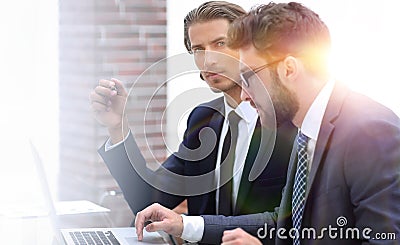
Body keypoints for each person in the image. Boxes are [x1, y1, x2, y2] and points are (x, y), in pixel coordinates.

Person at [135, 2, 400, 244]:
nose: (246, 95)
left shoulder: (369, 132)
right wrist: (185, 225)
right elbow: (284, 225)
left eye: (250, 77)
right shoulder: (308, 129)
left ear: (288, 69)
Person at [90, 1, 296, 243]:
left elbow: (290, 225)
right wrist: (118, 127)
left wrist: (187, 226)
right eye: (198, 49)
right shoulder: (204, 119)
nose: (209, 60)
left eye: (221, 43)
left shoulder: (289, 122)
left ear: (247, 46)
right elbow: (148, 201)